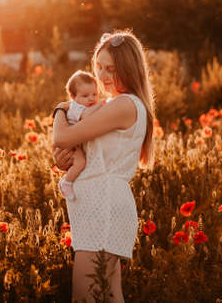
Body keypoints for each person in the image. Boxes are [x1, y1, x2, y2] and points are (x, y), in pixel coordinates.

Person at [52, 30, 155, 302]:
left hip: (103, 207)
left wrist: (61, 109)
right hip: (102, 205)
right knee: (108, 294)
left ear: (130, 69)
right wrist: (66, 161)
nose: (103, 75)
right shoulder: (114, 104)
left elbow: (62, 136)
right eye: (99, 67)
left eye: (112, 68)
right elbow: (86, 152)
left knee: (85, 297)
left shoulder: (123, 104)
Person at [54, 70, 104, 201]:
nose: (92, 98)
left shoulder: (82, 105)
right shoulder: (76, 108)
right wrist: (102, 104)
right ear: (73, 97)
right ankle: (67, 182)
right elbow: (87, 115)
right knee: (80, 161)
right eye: (85, 96)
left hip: (74, 142)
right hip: (70, 145)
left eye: (95, 94)